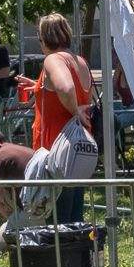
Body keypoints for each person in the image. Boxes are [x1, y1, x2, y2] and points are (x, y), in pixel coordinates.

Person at [29, 12, 96, 223]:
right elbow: (76, 91)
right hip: (77, 152)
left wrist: (74, 109)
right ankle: (78, 256)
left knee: (57, 224)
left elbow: (66, 88)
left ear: (45, 39)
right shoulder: (79, 61)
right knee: (74, 219)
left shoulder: (53, 60)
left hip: (57, 152)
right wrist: (38, 87)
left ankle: (62, 257)